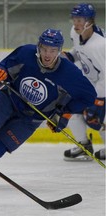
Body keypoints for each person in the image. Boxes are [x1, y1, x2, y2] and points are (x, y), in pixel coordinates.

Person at [0, 28, 97, 187]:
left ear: (59, 51)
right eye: (44, 48)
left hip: (31, 119)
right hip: (9, 99)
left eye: (52, 50)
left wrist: (64, 113)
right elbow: (5, 68)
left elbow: (88, 96)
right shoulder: (25, 53)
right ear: (38, 46)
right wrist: (1, 73)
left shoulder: (69, 72)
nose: (47, 54)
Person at [62, 3, 105, 161]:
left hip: (102, 84)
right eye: (74, 19)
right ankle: (83, 146)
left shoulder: (100, 45)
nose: (76, 23)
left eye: (80, 19)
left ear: (90, 21)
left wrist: (99, 100)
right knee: (73, 108)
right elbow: (79, 49)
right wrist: (70, 56)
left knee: (100, 118)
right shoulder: (75, 32)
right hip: (91, 82)